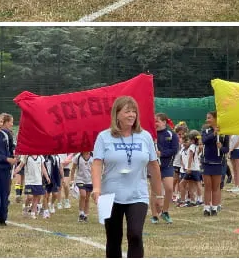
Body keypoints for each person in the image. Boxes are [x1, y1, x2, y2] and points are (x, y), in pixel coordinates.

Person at [92, 96, 163, 258]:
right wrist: (96, 188)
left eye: (134, 111)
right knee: (113, 238)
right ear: (116, 114)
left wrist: (159, 195)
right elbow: (96, 164)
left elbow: (154, 166)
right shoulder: (104, 137)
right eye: (127, 111)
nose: (131, 115)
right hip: (110, 195)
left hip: (138, 195)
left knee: (135, 234)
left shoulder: (145, 136)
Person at [152, 113, 179, 224]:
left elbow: (175, 150)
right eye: (154, 121)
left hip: (167, 166)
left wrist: (162, 153)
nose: (155, 123)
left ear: (164, 122)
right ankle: (154, 215)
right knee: (154, 192)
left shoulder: (171, 134)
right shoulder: (150, 135)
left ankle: (165, 211)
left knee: (169, 188)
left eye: (157, 121)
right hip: (154, 167)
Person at [200, 111, 228, 216]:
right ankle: (206, 208)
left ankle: (215, 208)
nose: (207, 120)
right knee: (207, 186)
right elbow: (204, 140)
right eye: (207, 118)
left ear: (216, 119)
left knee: (216, 187)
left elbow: (226, 149)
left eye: (209, 118)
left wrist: (221, 147)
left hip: (218, 162)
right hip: (206, 162)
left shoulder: (224, 133)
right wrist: (214, 134)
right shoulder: (205, 130)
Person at [71, 150, 95, 222]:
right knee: (83, 195)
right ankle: (81, 213)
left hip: (90, 181)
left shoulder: (94, 156)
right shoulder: (78, 157)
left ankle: (85, 215)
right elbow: (73, 169)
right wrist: (72, 180)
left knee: (87, 199)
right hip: (80, 180)